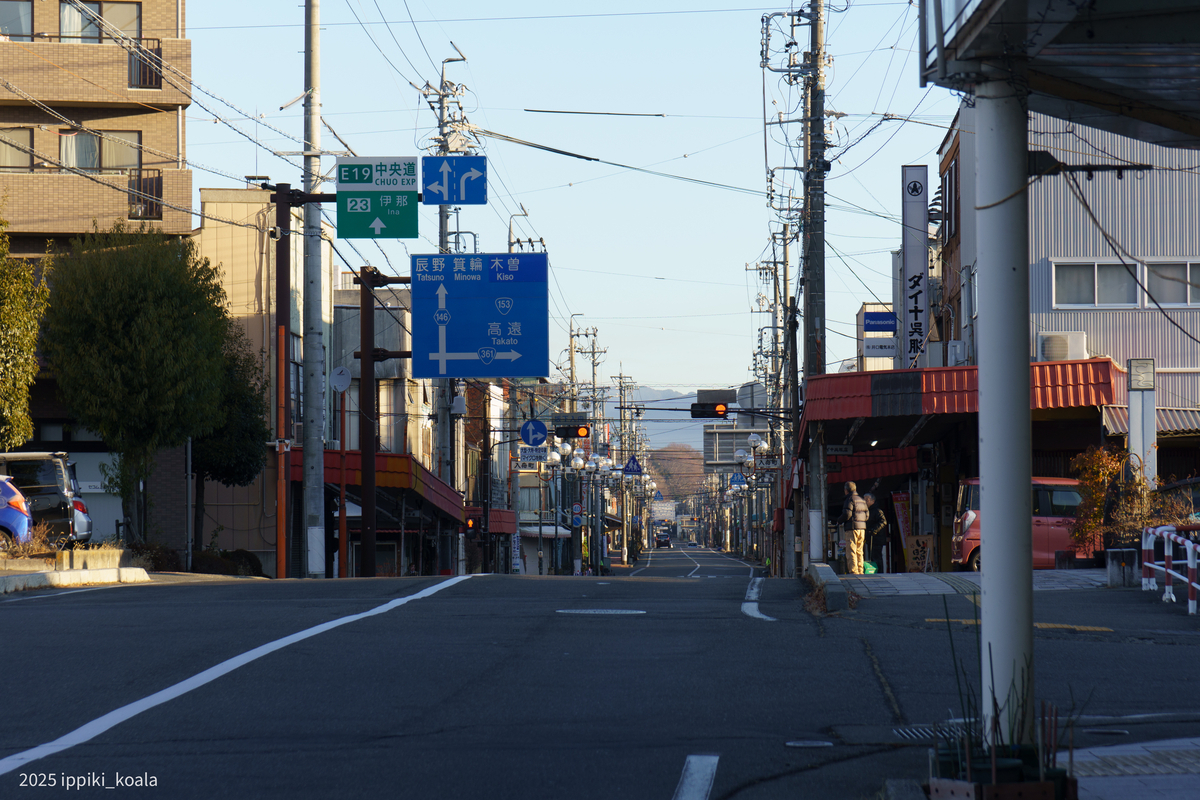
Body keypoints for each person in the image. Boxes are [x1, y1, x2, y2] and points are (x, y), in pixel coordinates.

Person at [837, 481, 869, 575]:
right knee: (860, 550)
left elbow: (847, 514)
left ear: (846, 490)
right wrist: (862, 522)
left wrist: (839, 520)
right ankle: (860, 570)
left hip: (852, 528)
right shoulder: (862, 500)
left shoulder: (849, 499)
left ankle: (854, 571)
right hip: (862, 529)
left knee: (851, 550)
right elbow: (867, 515)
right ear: (855, 489)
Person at [864, 492, 888, 571]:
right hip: (870, 538)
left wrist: (874, 530)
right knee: (872, 557)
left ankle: (879, 573)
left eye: (867, 500)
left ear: (872, 501)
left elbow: (883, 521)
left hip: (877, 538)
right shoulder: (867, 511)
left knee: (877, 557)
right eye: (864, 500)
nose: (865, 502)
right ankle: (874, 572)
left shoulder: (877, 511)